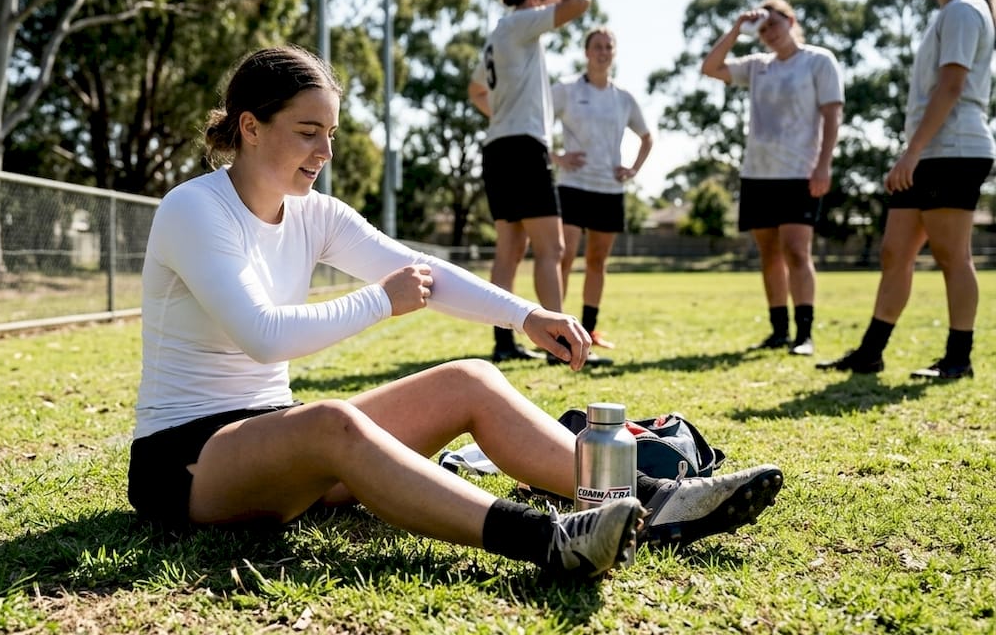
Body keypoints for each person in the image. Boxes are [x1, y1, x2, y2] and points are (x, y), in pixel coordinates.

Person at [129, 45, 785, 582]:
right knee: (331, 422)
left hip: (281, 446)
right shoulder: (195, 209)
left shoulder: (314, 213)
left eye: (329, 133)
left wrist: (527, 315)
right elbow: (262, 336)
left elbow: (426, 272)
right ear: (249, 126)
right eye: (307, 133)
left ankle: (655, 503)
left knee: (469, 380)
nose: (324, 152)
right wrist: (379, 302)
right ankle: (552, 541)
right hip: (185, 461)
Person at [819, 0, 994, 380]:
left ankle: (958, 359)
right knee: (895, 252)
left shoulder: (964, 11)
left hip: (953, 151)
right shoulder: (949, 13)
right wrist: (914, 151)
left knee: (953, 256)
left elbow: (952, 87)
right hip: (931, 151)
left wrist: (911, 152)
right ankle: (870, 353)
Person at [701, 0, 845, 357]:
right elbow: (710, 67)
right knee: (769, 255)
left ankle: (804, 334)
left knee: (797, 251)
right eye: (762, 29)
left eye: (774, 24)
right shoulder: (756, 66)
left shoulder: (818, 60)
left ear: (791, 20)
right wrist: (737, 28)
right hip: (758, 174)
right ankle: (778, 331)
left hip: (800, 172)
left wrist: (824, 164)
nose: (769, 33)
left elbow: (832, 115)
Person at [468, 0, 590, 363]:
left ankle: (504, 344)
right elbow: (581, 3)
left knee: (510, 250)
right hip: (522, 148)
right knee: (551, 247)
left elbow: (475, 91)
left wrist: (501, 117)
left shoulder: (497, 34)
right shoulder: (522, 23)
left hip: (499, 148)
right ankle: (562, 346)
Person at [549, 27, 653, 366]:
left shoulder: (622, 97)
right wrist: (557, 157)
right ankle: (557, 333)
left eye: (608, 47)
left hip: (609, 189)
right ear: (586, 52)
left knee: (597, 262)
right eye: (597, 46)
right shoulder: (565, 89)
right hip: (573, 186)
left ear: (614, 53)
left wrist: (633, 169)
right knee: (564, 257)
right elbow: (536, 124)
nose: (603, 52)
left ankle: (588, 332)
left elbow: (647, 137)